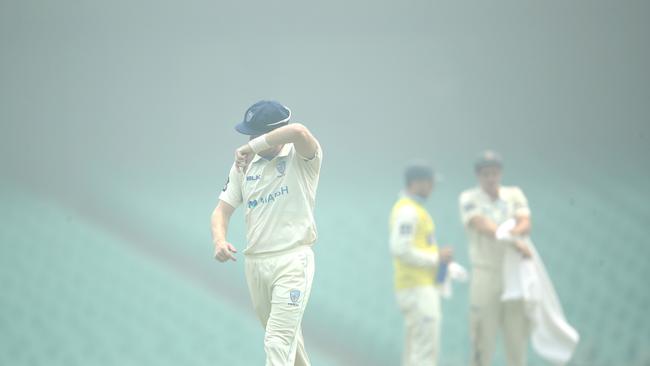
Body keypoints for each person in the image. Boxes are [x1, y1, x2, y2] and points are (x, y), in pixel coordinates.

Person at [210, 100, 322, 366]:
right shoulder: (244, 165)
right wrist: (219, 241)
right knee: (290, 350)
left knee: (277, 341)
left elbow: (299, 131)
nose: (248, 139)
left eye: (254, 135)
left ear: (270, 133)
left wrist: (251, 147)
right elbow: (220, 212)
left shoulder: (303, 156)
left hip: (292, 261)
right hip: (256, 265)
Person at [458, 150, 533, 366]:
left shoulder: (514, 194)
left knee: (516, 339)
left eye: (494, 173)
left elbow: (525, 222)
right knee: (482, 338)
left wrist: (514, 235)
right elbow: (481, 225)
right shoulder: (469, 198)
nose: (490, 179)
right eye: (485, 174)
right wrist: (514, 240)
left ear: (500, 173)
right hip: (486, 273)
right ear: (478, 176)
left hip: (513, 273)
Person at [389, 162, 454, 366]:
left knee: (415, 353)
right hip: (417, 288)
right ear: (416, 183)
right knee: (425, 352)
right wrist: (437, 259)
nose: (432, 187)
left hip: (416, 286)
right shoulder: (408, 211)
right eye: (429, 182)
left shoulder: (413, 209)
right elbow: (400, 248)